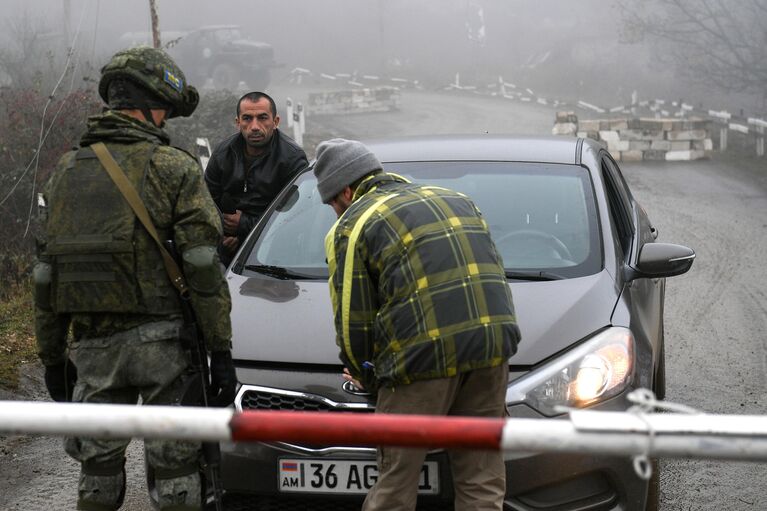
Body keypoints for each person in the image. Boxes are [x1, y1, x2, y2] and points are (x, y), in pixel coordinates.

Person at [32, 46, 236, 511]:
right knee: (175, 467)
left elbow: (45, 276)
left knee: (98, 468)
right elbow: (202, 267)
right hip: (164, 345)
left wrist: (50, 356)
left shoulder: (65, 171)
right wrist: (221, 348)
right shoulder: (174, 167)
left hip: (92, 347)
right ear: (152, 104)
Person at [314, 138, 522, 511]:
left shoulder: (354, 223)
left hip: (421, 361)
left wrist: (367, 374)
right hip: (492, 348)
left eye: (331, 203)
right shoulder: (456, 199)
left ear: (346, 191)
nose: (334, 211)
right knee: (482, 479)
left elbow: (353, 323)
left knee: (395, 482)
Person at [204, 91, 308, 265]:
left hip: (276, 254)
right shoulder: (223, 154)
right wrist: (223, 235)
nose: (254, 126)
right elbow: (205, 203)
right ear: (238, 123)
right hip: (225, 250)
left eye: (262, 118)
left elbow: (296, 217)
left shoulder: (292, 159)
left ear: (275, 122)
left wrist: (244, 228)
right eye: (247, 118)